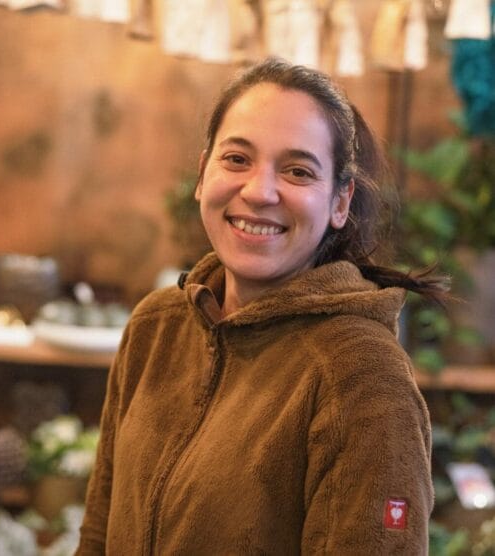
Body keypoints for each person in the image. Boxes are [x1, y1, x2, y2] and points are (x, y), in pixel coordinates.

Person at [77, 58, 446, 555]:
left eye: (297, 171)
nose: (259, 191)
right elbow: (98, 535)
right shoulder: (156, 326)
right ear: (203, 173)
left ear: (340, 202)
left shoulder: (362, 374)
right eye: (236, 159)